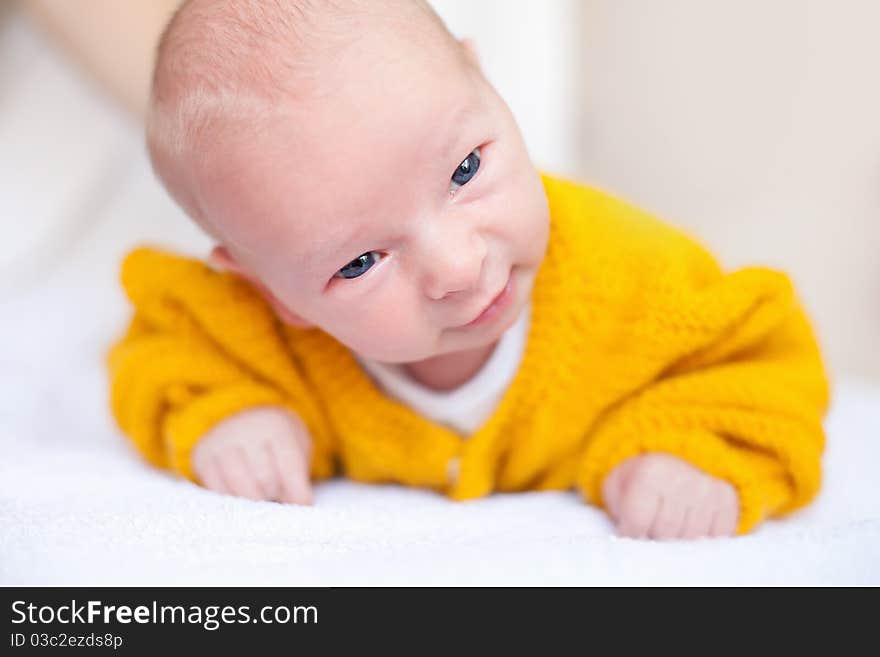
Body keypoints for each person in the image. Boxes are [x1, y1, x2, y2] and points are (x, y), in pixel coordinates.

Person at [108, 0, 830, 540]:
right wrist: (229, 417)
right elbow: (164, 350)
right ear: (268, 289)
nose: (457, 266)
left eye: (465, 168)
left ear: (487, 82)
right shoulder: (252, 331)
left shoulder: (640, 281)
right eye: (360, 262)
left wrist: (688, 448)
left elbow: (765, 361)